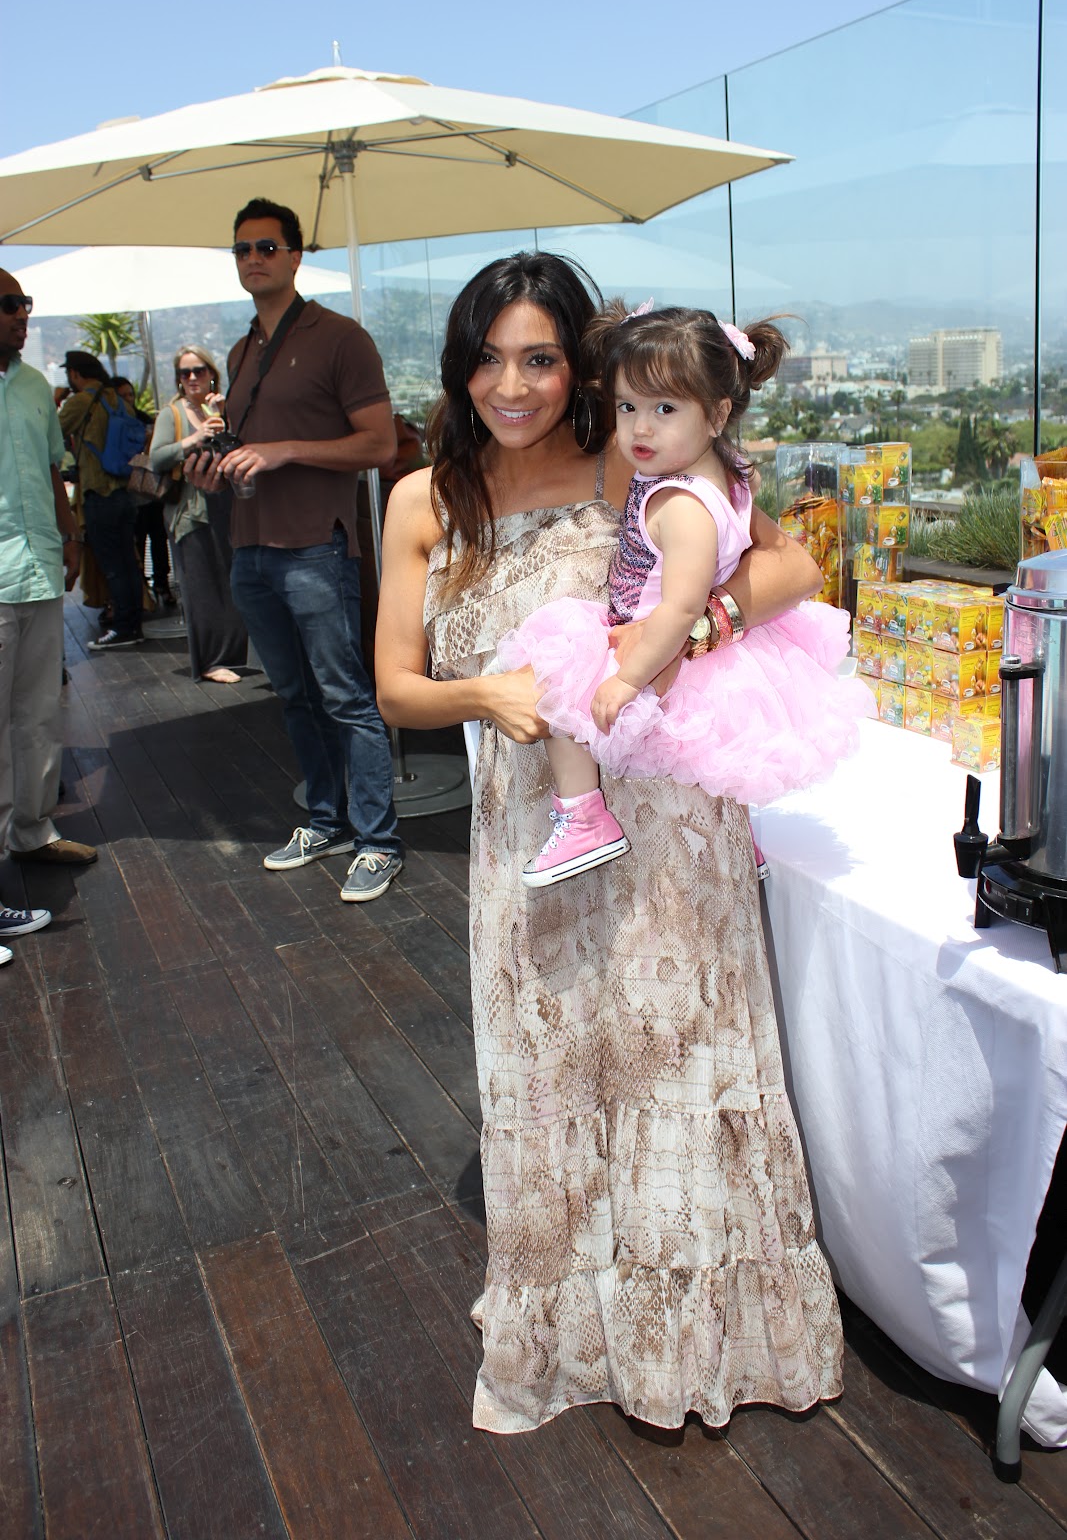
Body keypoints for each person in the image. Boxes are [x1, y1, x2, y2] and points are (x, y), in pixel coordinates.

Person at [375, 252, 842, 1436]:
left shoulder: (628, 455)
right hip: (528, 833)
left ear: (576, 365)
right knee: (551, 1072)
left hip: (668, 827)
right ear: (458, 368)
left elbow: (790, 563)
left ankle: (701, 1335)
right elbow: (393, 690)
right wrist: (484, 696)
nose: (512, 385)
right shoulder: (425, 499)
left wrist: (695, 630)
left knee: (678, 1066)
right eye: (489, 359)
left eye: (538, 358)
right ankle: (582, 1330)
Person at [497, 300, 874, 887]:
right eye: (628, 406)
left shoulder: (679, 504)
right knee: (713, 761)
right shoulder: (726, 475)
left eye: (665, 408)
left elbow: (681, 606)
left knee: (562, 684)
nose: (641, 427)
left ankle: (583, 816)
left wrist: (628, 679)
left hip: (658, 641)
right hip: (699, 649)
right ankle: (737, 841)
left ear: (717, 414)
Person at [186, 198, 402, 901]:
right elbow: (247, 451)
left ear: (295, 256)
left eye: (267, 247)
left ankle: (378, 842)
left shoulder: (341, 338)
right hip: (250, 545)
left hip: (315, 545)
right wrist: (216, 469)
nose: (253, 259)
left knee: (345, 698)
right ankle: (326, 822)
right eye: (242, 249)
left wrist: (285, 450)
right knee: (294, 698)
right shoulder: (242, 350)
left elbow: (380, 444)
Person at [0, 268, 98, 907]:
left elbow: (52, 470)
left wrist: (70, 538)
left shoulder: (36, 385)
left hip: (36, 568)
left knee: (38, 711)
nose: (21, 314)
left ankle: (32, 831)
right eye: (8, 304)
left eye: (24, 303)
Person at [149, 346, 248, 682]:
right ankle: (209, 661)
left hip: (227, 506)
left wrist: (222, 420)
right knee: (200, 586)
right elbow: (157, 458)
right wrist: (195, 438)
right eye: (185, 372)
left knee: (233, 581)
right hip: (190, 512)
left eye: (199, 370)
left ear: (211, 374)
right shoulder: (172, 414)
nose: (192, 377)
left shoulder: (221, 410)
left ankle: (234, 654)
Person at [59, 350, 145, 650]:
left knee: (112, 565)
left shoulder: (80, 402)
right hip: (125, 491)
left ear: (75, 374)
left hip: (98, 492)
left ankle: (122, 627)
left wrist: (56, 401)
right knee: (128, 561)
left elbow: (50, 434)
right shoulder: (118, 401)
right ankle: (134, 623)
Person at [113, 375, 175, 614]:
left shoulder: (143, 420)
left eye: (130, 394)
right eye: (123, 396)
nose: (128, 399)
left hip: (150, 491)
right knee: (138, 541)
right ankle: (144, 590)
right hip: (131, 494)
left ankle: (162, 583)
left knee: (158, 539)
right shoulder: (117, 424)